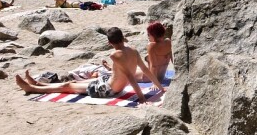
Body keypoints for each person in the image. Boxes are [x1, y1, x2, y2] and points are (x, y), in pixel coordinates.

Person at [14, 27, 164, 103]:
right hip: (107, 83)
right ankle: (38, 83)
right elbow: (146, 70)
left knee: (67, 86)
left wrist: (142, 99)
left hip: (107, 90)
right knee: (73, 82)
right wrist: (160, 87)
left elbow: (131, 77)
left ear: (109, 43)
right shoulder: (134, 50)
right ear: (123, 38)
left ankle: (32, 88)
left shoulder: (115, 54)